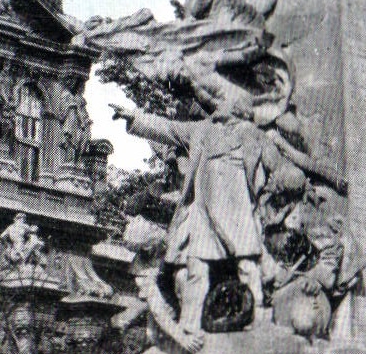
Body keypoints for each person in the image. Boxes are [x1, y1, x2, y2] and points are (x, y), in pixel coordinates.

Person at [112, 99, 306, 334]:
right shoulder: (201, 129)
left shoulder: (252, 135)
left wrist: (296, 180)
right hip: (204, 212)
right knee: (197, 268)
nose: (216, 104)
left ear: (238, 107)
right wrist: (134, 116)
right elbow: (167, 128)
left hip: (238, 210)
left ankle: (259, 319)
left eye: (222, 99)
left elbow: (277, 165)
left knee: (248, 264)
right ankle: (190, 325)